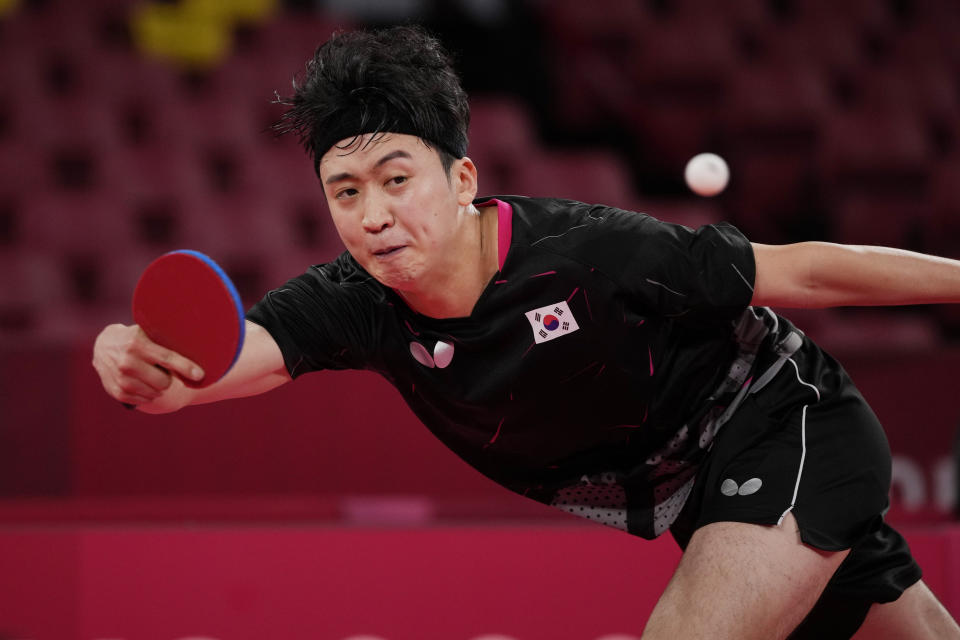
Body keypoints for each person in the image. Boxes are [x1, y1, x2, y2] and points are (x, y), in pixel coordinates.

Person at [92, 25, 960, 639]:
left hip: (786, 424)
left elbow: (801, 271)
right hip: (698, 497)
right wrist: (147, 370)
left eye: (397, 178)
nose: (374, 214)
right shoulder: (355, 301)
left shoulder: (590, 252)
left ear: (462, 176)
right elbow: (229, 360)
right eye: (346, 191)